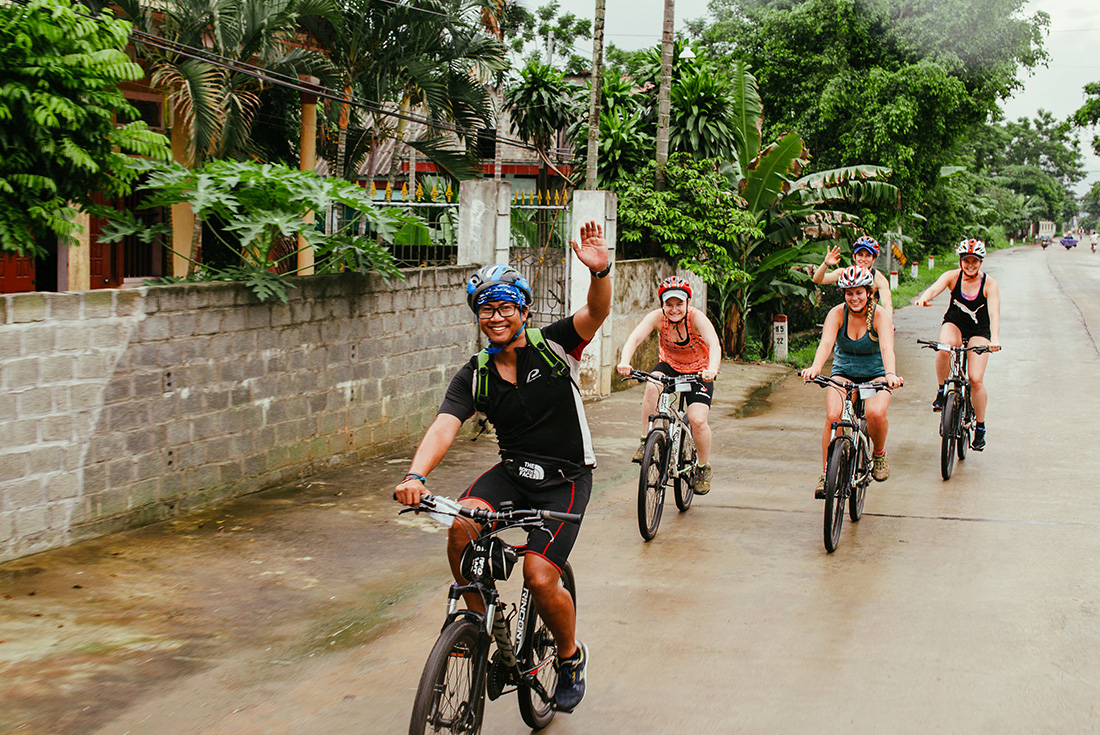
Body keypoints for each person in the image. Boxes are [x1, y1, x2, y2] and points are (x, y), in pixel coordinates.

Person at [393, 221, 610, 713]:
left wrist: (600, 272)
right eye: (486, 309)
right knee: (460, 527)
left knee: (537, 575)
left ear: (523, 310)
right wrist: (414, 476)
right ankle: (481, 627)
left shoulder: (554, 345)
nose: (495, 317)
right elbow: (444, 425)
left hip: (565, 480)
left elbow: (597, 313)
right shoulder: (475, 373)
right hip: (513, 472)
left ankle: (571, 657)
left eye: (505, 306)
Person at [802, 266, 902, 498]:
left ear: (868, 292)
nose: (854, 298)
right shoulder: (837, 314)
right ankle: (827, 473)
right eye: (849, 293)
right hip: (843, 373)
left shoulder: (880, 315)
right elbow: (826, 344)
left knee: (875, 413)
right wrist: (815, 368)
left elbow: (887, 348)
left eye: (859, 292)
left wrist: (891, 375)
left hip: (876, 375)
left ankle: (879, 453)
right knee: (832, 417)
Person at [616, 276, 721, 495]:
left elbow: (714, 343)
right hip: (670, 366)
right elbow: (634, 338)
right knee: (652, 385)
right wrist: (625, 361)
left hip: (699, 371)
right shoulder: (656, 318)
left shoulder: (696, 318)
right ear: (662, 304)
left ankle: (702, 467)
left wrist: (711, 369)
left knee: (697, 420)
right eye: (669, 304)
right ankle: (646, 441)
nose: (674, 309)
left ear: (687, 303)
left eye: (679, 304)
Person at [916, 238, 1001, 450]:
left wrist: (995, 339)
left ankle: (980, 427)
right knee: (944, 346)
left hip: (979, 331)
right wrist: (924, 298)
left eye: (974, 261)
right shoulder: (953, 277)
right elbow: (934, 288)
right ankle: (941, 390)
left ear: (980, 262)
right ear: (960, 261)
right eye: (966, 261)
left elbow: (994, 314)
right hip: (954, 323)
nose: (970, 265)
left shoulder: (989, 284)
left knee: (975, 378)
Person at [812, 235, 894, 314]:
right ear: (854, 257)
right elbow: (818, 279)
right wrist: (826, 263)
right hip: (848, 320)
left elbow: (887, 305)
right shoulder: (845, 273)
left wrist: (888, 324)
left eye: (868, 256)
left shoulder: (879, 279)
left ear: (874, 259)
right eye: (860, 255)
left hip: (869, 321)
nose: (863, 259)